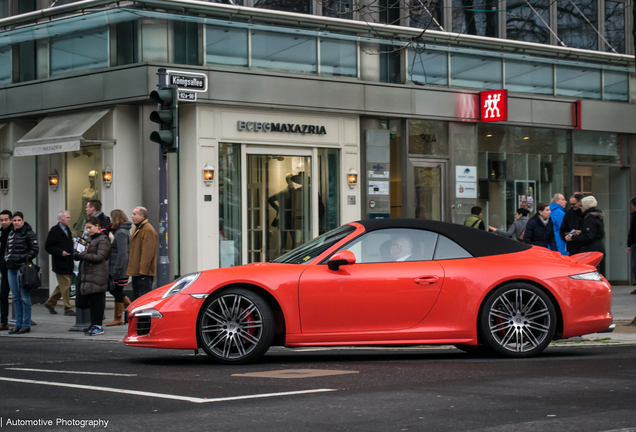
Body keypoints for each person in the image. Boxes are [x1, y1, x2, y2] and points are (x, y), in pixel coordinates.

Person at [74, 216, 111, 336]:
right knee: (91, 302)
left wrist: (82, 255)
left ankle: (98, 325)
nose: (88, 230)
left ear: (97, 226)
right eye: (87, 228)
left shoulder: (103, 240)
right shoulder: (90, 239)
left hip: (97, 274)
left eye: (90, 227)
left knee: (98, 302)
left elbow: (100, 257)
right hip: (89, 274)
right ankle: (93, 324)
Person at [5, 212, 39, 334]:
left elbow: (35, 250)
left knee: (24, 297)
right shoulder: (11, 234)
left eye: (19, 220)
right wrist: (7, 258)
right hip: (11, 268)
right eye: (14, 220)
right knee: (15, 297)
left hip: (23, 269)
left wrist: (23, 258)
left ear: (23, 221)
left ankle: (26, 324)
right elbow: (7, 249)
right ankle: (18, 324)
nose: (16, 222)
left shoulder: (29, 233)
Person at [43, 211, 76, 316]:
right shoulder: (55, 230)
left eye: (69, 217)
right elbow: (48, 246)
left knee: (63, 285)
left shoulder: (67, 230)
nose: (69, 219)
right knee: (66, 286)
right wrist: (60, 252)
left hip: (68, 262)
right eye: (67, 217)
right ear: (60, 219)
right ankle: (68, 308)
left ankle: (50, 303)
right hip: (60, 262)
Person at [105, 209, 132, 326]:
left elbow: (122, 253)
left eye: (111, 217)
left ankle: (119, 317)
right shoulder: (122, 231)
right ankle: (129, 308)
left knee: (116, 291)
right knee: (116, 290)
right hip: (118, 266)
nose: (110, 220)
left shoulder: (120, 232)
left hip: (119, 268)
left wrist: (116, 269)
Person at [566, 196, 605, 274]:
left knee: (590, 273)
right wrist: (582, 232)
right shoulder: (597, 216)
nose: (580, 208)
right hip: (598, 248)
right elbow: (595, 233)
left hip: (591, 250)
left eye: (581, 205)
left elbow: (589, 237)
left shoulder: (589, 219)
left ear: (586, 206)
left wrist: (573, 237)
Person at [126, 207, 157, 300]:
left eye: (135, 214)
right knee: (137, 297)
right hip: (137, 272)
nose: (132, 216)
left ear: (142, 216)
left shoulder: (148, 229)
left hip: (143, 273)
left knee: (143, 298)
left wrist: (143, 272)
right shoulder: (137, 228)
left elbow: (147, 253)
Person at [0, 210, 12, 331]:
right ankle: (3, 321)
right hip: (4, 269)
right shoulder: (3, 233)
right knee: (3, 295)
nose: (3, 222)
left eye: (5, 220)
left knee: (19, 296)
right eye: (1, 220)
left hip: (13, 267)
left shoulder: (13, 232)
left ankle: (22, 322)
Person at [627, 198, 636, 293]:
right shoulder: (633, 216)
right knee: (635, 265)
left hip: (634, 243)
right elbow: (632, 231)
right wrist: (629, 244)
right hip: (634, 243)